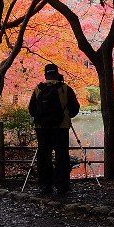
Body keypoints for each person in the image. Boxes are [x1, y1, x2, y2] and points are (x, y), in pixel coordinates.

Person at [28, 64, 80, 194]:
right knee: (61, 155)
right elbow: (75, 108)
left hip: (42, 128)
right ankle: (62, 186)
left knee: (43, 155)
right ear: (57, 74)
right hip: (61, 127)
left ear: (46, 75)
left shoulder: (38, 89)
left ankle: (45, 185)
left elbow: (31, 109)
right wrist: (66, 117)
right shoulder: (65, 88)